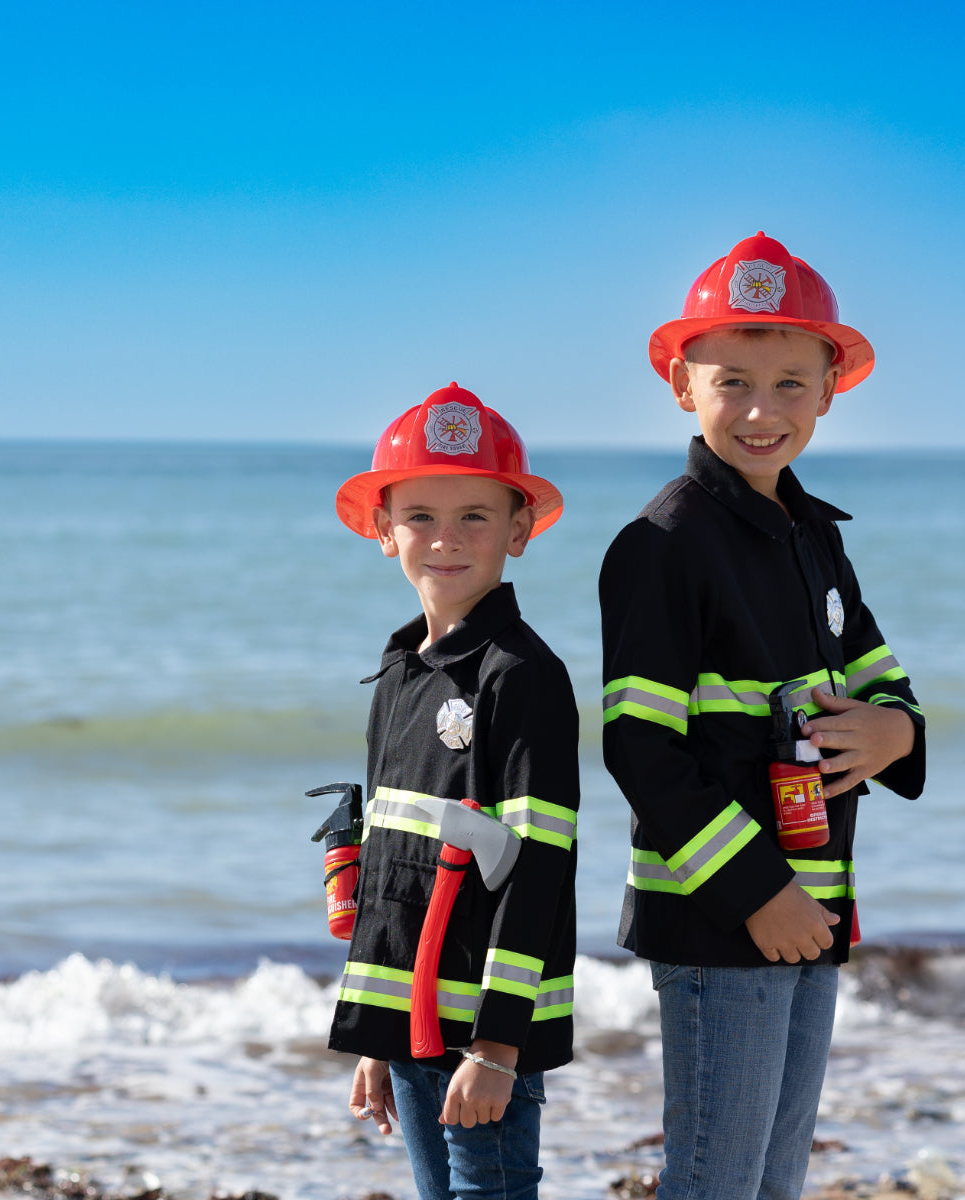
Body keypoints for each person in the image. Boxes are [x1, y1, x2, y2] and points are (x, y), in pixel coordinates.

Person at [600, 232, 925, 1200]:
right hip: (721, 914)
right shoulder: (661, 545)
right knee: (717, 1179)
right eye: (732, 382)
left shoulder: (816, 538)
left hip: (816, 904)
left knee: (777, 1178)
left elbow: (885, 681)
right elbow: (640, 749)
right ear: (681, 384)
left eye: (790, 385)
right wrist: (756, 892)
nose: (760, 411)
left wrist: (897, 733)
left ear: (830, 390)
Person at [329, 382, 579, 1200]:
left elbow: (538, 870)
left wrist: (499, 1048)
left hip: (482, 1036)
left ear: (519, 529)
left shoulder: (523, 676)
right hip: (412, 1025)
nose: (446, 538)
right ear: (383, 529)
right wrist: (378, 1031)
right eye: (420, 516)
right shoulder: (399, 674)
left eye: (475, 515)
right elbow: (390, 866)